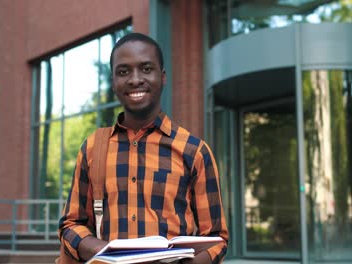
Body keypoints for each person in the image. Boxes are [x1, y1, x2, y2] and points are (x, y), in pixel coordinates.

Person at [58, 32, 229, 263]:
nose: (135, 79)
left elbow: (217, 238)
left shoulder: (194, 151)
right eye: (123, 71)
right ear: (113, 81)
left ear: (163, 76)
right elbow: (70, 225)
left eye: (146, 69)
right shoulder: (92, 149)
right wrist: (106, 251)